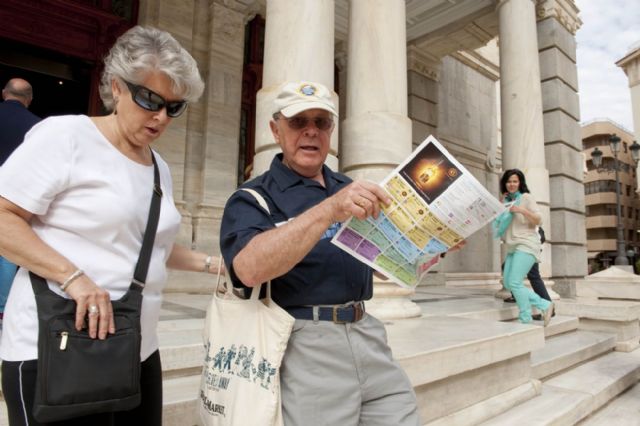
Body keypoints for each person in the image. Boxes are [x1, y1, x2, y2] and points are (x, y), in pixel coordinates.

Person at [0, 26, 222, 426]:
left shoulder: (159, 168)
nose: (160, 116)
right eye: (150, 99)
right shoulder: (66, 136)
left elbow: (148, 245)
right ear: (117, 87)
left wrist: (214, 264)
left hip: (135, 348)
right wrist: (73, 277)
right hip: (56, 346)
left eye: (173, 107)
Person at [220, 81, 422, 425]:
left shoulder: (349, 188)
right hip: (306, 345)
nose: (311, 132)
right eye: (299, 122)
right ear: (275, 129)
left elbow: (383, 262)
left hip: (368, 334)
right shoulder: (253, 197)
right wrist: (328, 210)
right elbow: (248, 269)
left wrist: (431, 245)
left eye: (322, 122)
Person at [0, 78, 41, 325]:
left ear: (4, 93)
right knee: (7, 252)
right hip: (15, 193)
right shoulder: (37, 127)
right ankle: (3, 309)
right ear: (29, 99)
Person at [494, 169, 554, 326]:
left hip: (526, 243)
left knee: (515, 283)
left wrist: (520, 209)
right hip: (513, 246)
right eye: (508, 181)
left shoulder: (526, 198)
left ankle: (529, 315)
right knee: (508, 283)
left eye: (515, 181)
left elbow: (539, 219)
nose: (511, 184)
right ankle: (544, 305)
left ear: (520, 183)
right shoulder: (506, 200)